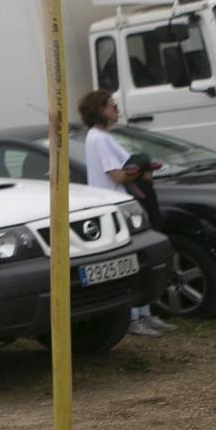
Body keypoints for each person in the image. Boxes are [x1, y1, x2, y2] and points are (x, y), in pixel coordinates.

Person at [79, 89, 173, 337]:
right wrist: (140, 169)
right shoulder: (98, 138)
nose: (116, 110)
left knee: (141, 259)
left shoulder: (105, 137)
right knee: (131, 261)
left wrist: (143, 169)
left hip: (127, 205)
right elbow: (118, 174)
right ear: (99, 110)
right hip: (116, 207)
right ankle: (133, 318)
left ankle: (146, 314)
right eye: (111, 105)